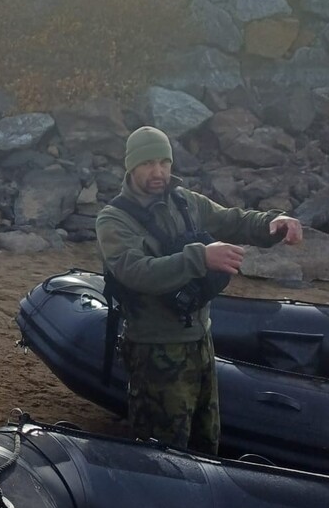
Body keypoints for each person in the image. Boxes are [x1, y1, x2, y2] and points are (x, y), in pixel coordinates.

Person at [95, 125, 303, 455]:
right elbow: (136, 271)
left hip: (200, 342)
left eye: (164, 162)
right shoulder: (113, 219)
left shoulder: (186, 202)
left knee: (206, 442)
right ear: (131, 166)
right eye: (148, 163)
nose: (158, 172)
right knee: (164, 451)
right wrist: (200, 258)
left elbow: (233, 220)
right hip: (155, 350)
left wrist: (272, 223)